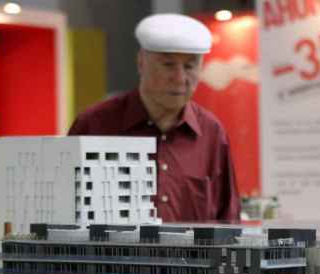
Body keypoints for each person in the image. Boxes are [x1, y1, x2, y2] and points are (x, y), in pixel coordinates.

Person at [68, 13, 241, 222]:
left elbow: (229, 220)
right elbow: (65, 213)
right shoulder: (94, 126)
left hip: (192, 256)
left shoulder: (212, 134)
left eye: (189, 66)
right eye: (168, 64)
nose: (180, 78)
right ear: (141, 62)